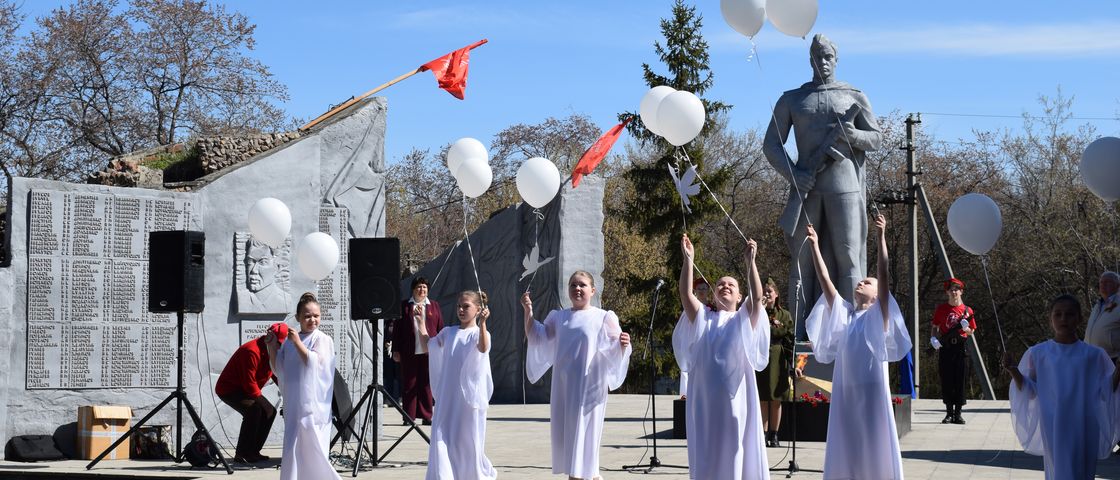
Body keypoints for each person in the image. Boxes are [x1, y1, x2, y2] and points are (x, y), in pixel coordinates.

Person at [763, 33, 883, 329]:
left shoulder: (853, 96)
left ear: (836, 60)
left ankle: (853, 327)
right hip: (807, 187)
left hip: (844, 186)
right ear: (810, 60)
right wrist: (795, 175)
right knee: (802, 259)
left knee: (848, 256)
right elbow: (771, 145)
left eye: (828, 56)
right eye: (818, 57)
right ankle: (799, 333)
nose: (823, 62)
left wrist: (852, 134)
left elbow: (876, 138)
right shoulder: (792, 99)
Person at [805, 214, 910, 480]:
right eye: (861, 280)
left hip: (871, 389)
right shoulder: (845, 314)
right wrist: (815, 245)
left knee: (871, 443)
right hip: (845, 390)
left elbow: (884, 273)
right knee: (848, 444)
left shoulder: (878, 314)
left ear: (877, 295)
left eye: (868, 282)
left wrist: (881, 236)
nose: (861, 282)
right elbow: (825, 280)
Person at [672, 235, 771, 479]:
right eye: (720, 284)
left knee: (734, 445)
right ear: (713, 294)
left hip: (734, 397)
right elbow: (685, 293)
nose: (725, 286)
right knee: (707, 448)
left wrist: (750, 263)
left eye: (731, 285)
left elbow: (757, 297)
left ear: (739, 296)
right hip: (705, 397)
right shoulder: (703, 317)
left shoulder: (743, 318)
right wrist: (688, 260)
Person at [522, 271, 632, 480]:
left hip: (589, 387)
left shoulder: (603, 317)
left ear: (593, 290)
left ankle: (582, 475)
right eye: (573, 285)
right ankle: (586, 475)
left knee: (586, 435)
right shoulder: (558, 317)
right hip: (564, 387)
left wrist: (623, 345)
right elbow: (537, 337)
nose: (577, 289)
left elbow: (615, 348)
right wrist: (528, 311)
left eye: (582, 285)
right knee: (569, 434)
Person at [1003, 294, 1120, 480]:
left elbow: (1106, 391)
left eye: (1070, 314)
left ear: (1080, 318)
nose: (1063, 319)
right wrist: (1013, 370)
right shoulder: (1038, 353)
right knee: (1059, 470)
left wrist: (1119, 370)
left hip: (1085, 423)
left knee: (1081, 471)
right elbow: (1030, 391)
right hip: (1054, 424)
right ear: (1050, 319)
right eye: (1058, 314)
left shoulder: (1094, 355)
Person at [416, 290, 497, 480]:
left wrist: (483, 324)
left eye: (466, 306)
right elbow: (428, 346)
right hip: (447, 396)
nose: (461, 310)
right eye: (459, 306)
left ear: (478, 309)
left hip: (468, 399)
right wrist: (420, 322)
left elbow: (483, 348)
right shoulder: (448, 332)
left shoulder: (479, 333)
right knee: (441, 437)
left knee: (467, 440)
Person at [268, 292, 341, 480]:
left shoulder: (322, 339)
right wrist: (272, 347)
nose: (312, 320)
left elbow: (313, 363)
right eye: (307, 316)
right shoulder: (290, 341)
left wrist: (297, 343)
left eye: (316, 315)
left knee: (313, 448)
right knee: (293, 446)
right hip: (294, 404)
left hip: (313, 406)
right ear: (298, 317)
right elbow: (279, 369)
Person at [215, 322, 287, 463]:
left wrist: (289, 392)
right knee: (254, 410)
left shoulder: (273, 351)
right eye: (279, 344)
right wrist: (264, 404)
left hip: (246, 389)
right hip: (229, 389)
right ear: (270, 338)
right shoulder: (251, 351)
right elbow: (249, 384)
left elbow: (276, 375)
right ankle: (242, 454)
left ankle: (253, 451)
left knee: (270, 412)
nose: (281, 348)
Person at [393, 276, 443, 425]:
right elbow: (397, 329)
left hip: (429, 351)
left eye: (424, 287)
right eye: (419, 287)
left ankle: (427, 416)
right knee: (409, 384)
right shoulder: (405, 306)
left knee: (426, 384)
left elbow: (440, 327)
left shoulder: (434, 306)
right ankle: (409, 417)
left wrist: (441, 347)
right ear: (413, 289)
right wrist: (396, 349)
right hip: (409, 351)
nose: (422, 290)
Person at [929, 277, 976, 425]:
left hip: (961, 348)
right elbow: (935, 326)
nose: (954, 292)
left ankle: (958, 414)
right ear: (947, 292)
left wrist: (965, 328)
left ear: (961, 292)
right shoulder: (941, 309)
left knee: (960, 379)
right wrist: (933, 338)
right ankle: (949, 413)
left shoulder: (967, 310)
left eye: (956, 289)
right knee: (947, 379)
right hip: (946, 347)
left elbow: (971, 331)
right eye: (951, 290)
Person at [757, 277, 794, 448]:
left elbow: (789, 338)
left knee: (776, 398)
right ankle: (763, 434)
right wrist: (761, 309)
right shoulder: (757, 312)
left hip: (778, 358)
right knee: (763, 398)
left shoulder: (784, 314)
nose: (767, 294)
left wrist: (793, 363)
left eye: (769, 291)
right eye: (764, 291)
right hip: (761, 356)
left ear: (776, 294)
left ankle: (774, 434)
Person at [672, 279, 711, 399]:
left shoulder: (712, 308)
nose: (702, 291)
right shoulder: (690, 308)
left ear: (708, 290)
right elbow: (684, 327)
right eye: (699, 289)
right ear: (695, 290)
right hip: (693, 342)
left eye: (704, 288)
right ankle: (687, 393)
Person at [1085, 271, 1120, 363]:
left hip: (1113, 359)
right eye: (1101, 282)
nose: (1103, 284)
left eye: (1107, 282)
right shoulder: (1097, 305)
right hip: (1092, 358)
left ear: (1118, 286)